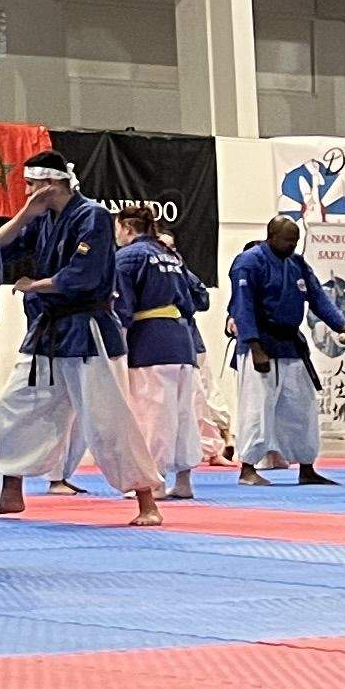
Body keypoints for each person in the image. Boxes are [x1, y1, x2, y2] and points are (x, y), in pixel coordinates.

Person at [0, 152, 160, 525]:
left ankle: (147, 500)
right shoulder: (44, 219)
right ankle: (10, 490)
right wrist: (25, 214)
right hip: (48, 331)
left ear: (50, 184)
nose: (27, 191)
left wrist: (35, 285)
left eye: (32, 185)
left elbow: (83, 274)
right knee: (16, 406)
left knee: (108, 418)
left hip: (88, 329)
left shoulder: (93, 216)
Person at [225, 215, 345, 485]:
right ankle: (247, 467)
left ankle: (307, 467)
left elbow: (317, 297)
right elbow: (242, 306)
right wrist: (254, 346)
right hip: (260, 341)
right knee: (257, 407)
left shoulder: (297, 263)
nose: (293, 245)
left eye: (296, 241)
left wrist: (342, 326)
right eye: (288, 240)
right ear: (271, 236)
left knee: (301, 406)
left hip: (291, 344)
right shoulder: (249, 262)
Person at [112, 202, 207, 503]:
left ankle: (152, 483)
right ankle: (184, 480)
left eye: (117, 228)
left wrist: (118, 342)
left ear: (127, 227)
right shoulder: (171, 255)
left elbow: (123, 307)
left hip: (150, 341)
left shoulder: (127, 257)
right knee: (183, 414)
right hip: (182, 339)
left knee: (153, 414)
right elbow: (195, 301)